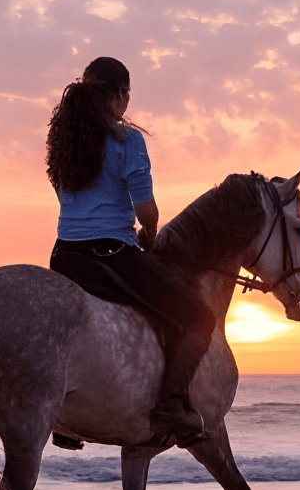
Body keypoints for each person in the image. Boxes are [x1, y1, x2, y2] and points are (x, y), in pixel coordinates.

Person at [45, 56, 215, 448]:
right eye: (127, 94)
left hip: (63, 257)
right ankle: (172, 405)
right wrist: (150, 237)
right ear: (120, 94)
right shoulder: (127, 140)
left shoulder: (64, 141)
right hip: (108, 256)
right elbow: (147, 211)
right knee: (197, 317)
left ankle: (60, 419)